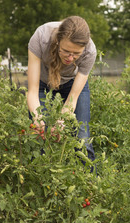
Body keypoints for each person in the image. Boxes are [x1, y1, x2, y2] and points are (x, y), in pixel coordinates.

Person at [27, 15, 97, 164]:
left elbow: (73, 97)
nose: (70, 58)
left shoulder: (90, 51)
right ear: (58, 41)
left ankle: (90, 184)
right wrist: (38, 118)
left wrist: (62, 120)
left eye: (76, 54)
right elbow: (32, 90)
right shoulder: (41, 37)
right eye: (66, 51)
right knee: (37, 136)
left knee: (82, 137)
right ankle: (39, 182)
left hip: (72, 85)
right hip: (42, 83)